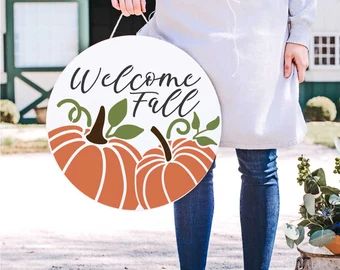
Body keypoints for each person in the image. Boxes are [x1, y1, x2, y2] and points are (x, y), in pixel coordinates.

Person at [111, 1, 317, 269]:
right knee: (192, 163)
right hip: (184, 26)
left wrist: (300, 33)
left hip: (259, 31)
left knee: (259, 161)